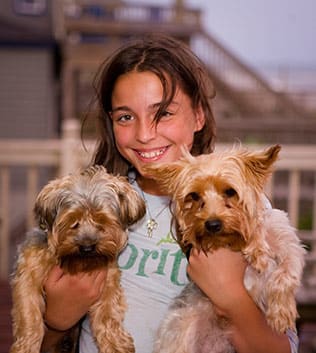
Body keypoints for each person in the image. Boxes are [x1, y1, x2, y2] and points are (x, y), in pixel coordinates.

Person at [41, 34, 298, 353]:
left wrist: (231, 297)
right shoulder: (95, 210)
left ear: (199, 116)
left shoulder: (241, 211)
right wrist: (55, 322)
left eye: (163, 113)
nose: (145, 134)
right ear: (111, 123)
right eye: (125, 117)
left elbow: (283, 347)